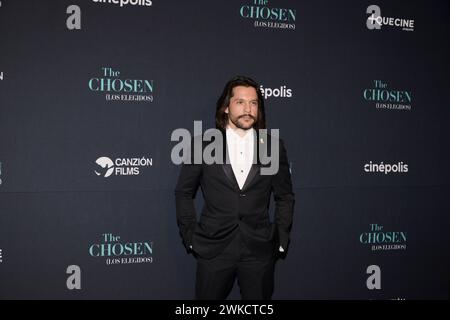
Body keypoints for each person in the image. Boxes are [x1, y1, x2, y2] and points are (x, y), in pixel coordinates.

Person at [175, 75, 295, 300]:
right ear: (226, 108)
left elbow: (285, 195)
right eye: (240, 102)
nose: (248, 109)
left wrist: (281, 237)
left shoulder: (273, 146)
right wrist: (189, 235)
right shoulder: (202, 144)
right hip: (214, 248)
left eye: (253, 103)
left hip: (259, 250)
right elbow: (183, 192)